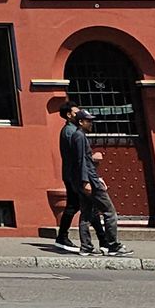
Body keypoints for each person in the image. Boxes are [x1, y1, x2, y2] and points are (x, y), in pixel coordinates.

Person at [54, 104, 122, 255]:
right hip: (78, 177)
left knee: (86, 209)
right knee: (84, 208)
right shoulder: (72, 133)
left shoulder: (74, 132)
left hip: (78, 176)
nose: (89, 122)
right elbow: (79, 158)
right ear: (69, 115)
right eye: (76, 113)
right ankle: (106, 243)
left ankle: (93, 243)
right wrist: (89, 176)